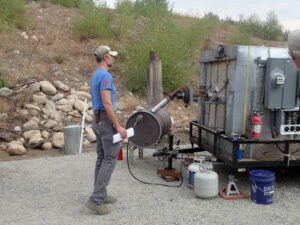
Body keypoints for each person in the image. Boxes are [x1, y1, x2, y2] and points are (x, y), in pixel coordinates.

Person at [86, 45, 127, 215]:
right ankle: (96, 200)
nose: (113, 58)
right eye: (111, 56)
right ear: (105, 57)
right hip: (105, 120)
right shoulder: (104, 76)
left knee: (102, 158)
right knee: (109, 159)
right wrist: (117, 126)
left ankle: (100, 194)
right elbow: (107, 102)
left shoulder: (96, 75)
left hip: (97, 120)